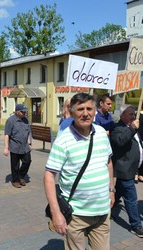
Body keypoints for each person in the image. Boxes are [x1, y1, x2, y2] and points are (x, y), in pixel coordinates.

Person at [44, 93, 114, 250]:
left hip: (102, 211)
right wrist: (56, 213)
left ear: (95, 111)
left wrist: (111, 190)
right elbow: (49, 176)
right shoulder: (63, 140)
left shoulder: (102, 133)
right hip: (76, 214)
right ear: (72, 111)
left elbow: (108, 162)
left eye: (89, 108)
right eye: (80, 109)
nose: (85, 113)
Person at [110, 104, 143, 237]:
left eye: (134, 114)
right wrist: (132, 129)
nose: (133, 116)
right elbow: (119, 141)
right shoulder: (118, 128)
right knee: (131, 198)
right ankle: (136, 225)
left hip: (132, 168)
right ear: (122, 115)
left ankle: (108, 211)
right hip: (125, 169)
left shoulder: (132, 127)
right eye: (130, 114)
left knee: (118, 192)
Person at [4, 104, 32, 188]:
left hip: (25, 146)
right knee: (15, 165)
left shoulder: (26, 120)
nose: (24, 113)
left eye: (25, 112)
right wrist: (6, 148)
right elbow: (6, 135)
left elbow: (28, 132)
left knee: (27, 161)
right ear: (17, 112)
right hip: (15, 146)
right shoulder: (10, 121)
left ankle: (21, 176)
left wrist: (29, 143)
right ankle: (15, 180)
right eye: (23, 112)